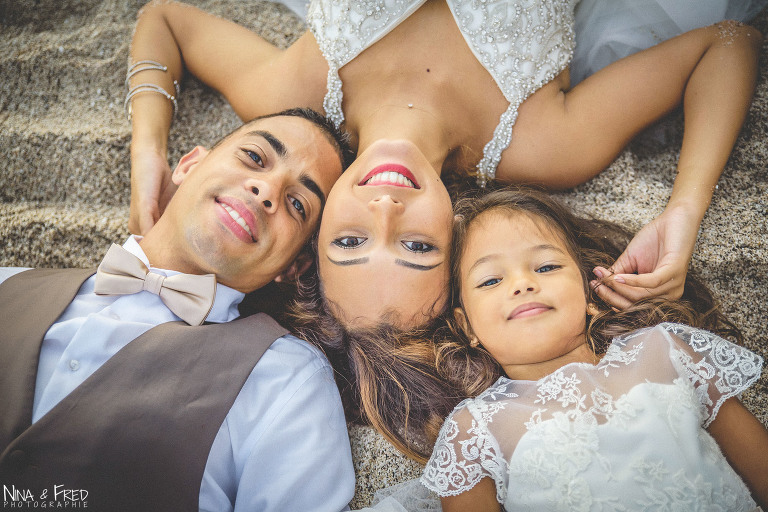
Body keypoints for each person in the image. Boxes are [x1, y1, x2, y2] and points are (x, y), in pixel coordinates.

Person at [127, 0, 763, 330]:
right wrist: (685, 208)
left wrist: (149, 148)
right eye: (416, 246)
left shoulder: (289, 93)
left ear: (316, 231)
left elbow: (166, 20)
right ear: (454, 230)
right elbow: (725, 45)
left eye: (350, 241)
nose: (385, 208)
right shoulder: (541, 143)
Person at [0, 108, 356, 511]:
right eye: (255, 158)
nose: (267, 191)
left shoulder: (287, 380)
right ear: (190, 163)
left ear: (294, 267)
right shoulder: (6, 282)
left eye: (297, 203)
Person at [410, 188, 768, 511]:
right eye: (491, 280)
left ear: (588, 295)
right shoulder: (473, 431)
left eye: (546, 266)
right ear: (467, 326)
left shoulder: (664, 350)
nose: (522, 283)